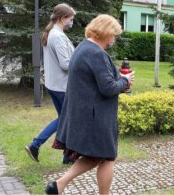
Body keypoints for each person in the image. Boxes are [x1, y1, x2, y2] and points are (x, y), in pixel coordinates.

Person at [45, 14, 135, 194]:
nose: (114, 39)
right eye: (114, 35)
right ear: (105, 33)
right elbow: (108, 88)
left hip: (86, 114)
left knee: (96, 157)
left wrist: (120, 78)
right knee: (107, 158)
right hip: (96, 118)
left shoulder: (83, 48)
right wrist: (125, 82)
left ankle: (59, 185)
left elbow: (98, 79)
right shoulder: (96, 53)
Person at [25, 3, 76, 164]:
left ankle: (67, 155)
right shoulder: (58, 36)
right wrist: (82, 65)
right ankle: (36, 144)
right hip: (62, 86)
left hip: (54, 85)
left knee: (65, 119)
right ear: (62, 18)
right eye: (71, 19)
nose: (71, 22)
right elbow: (66, 64)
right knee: (65, 119)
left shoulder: (52, 33)